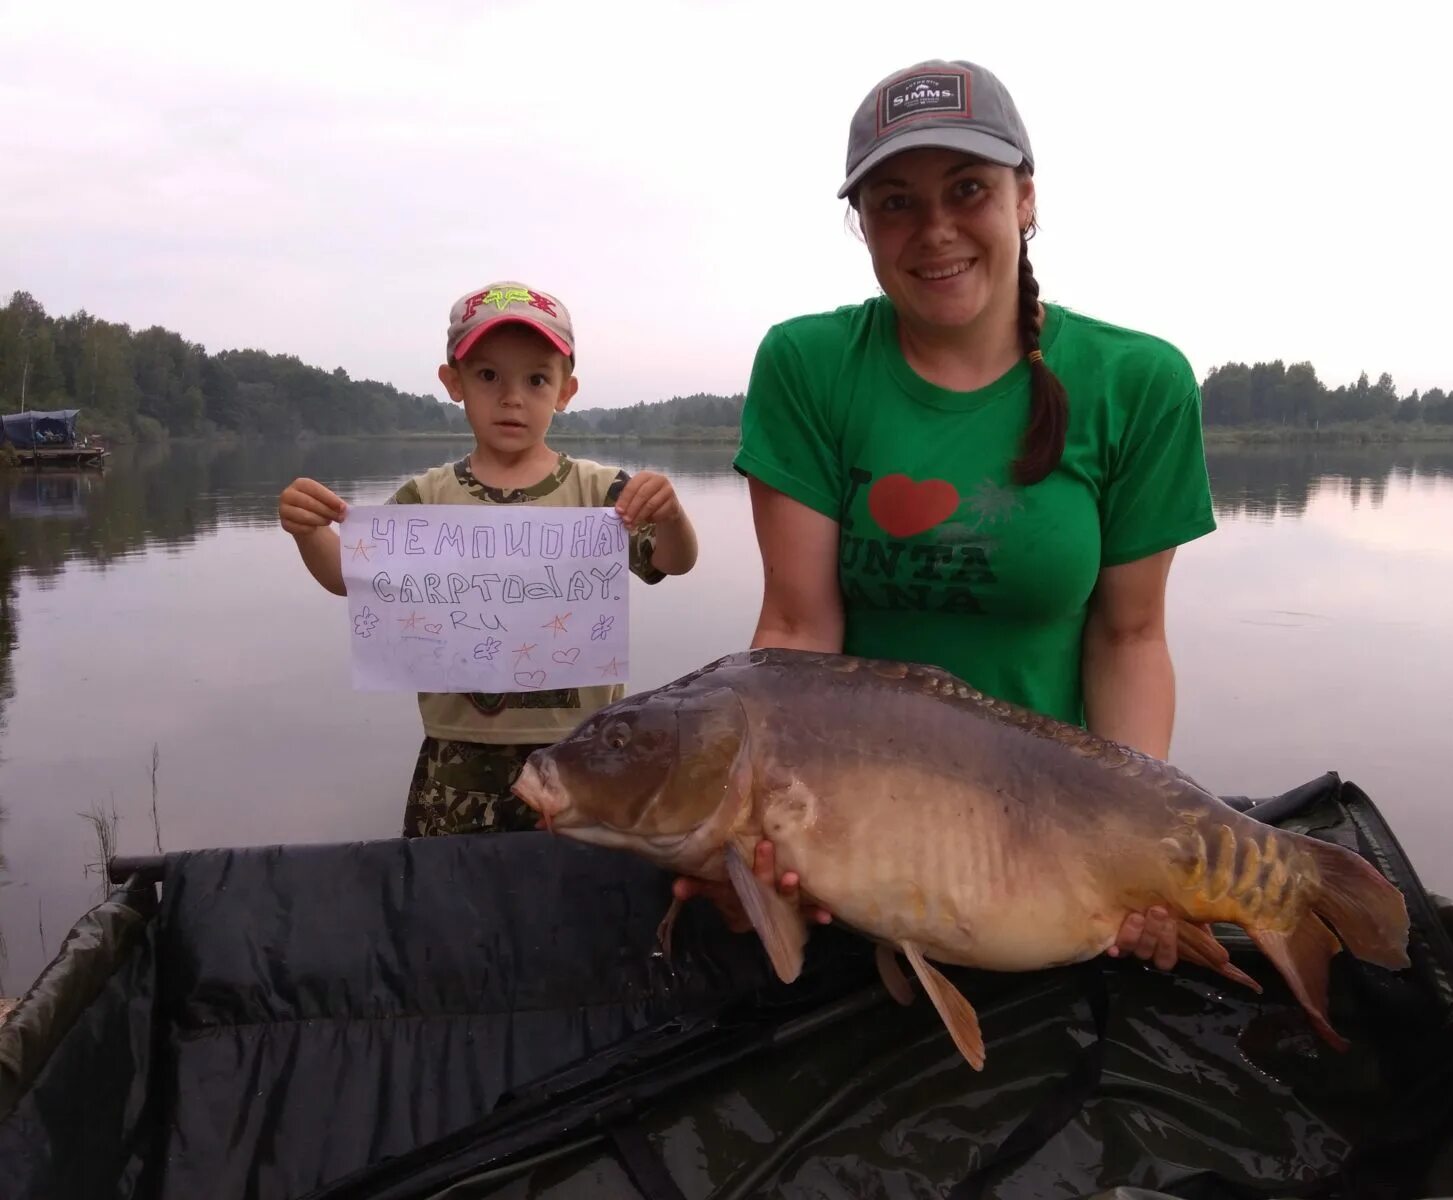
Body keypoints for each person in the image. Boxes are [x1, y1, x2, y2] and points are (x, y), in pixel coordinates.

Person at [680, 60, 1218, 971]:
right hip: (857, 836)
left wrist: (1139, 840)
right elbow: (799, 629)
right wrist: (745, 818)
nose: (934, 231)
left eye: (967, 189)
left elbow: (1129, 639)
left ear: (1026, 199)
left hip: (1050, 840)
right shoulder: (807, 366)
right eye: (894, 202)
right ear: (863, 226)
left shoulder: (1139, 382)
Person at [277, 280, 699, 836]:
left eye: (536, 379)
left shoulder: (601, 492)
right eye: (488, 376)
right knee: (447, 909)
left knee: (578, 910)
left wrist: (669, 516)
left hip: (582, 761)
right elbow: (344, 577)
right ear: (453, 382)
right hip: (455, 767)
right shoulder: (424, 497)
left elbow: (673, 562)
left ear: (566, 391)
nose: (512, 397)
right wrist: (308, 531)